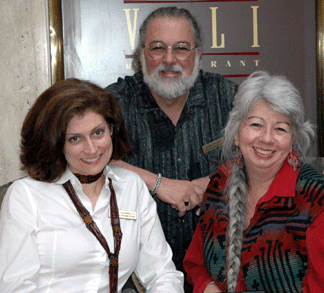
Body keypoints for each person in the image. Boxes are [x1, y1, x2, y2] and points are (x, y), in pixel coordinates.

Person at [0, 78, 184, 293]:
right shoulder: (26, 196)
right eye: (75, 139)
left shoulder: (131, 186)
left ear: (112, 130)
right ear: (54, 142)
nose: (91, 149)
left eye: (98, 133)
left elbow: (162, 273)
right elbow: (16, 287)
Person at [106, 6, 238, 282]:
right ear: (141, 56)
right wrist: (158, 183)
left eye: (180, 48)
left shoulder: (229, 98)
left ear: (197, 54)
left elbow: (272, 151)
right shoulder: (114, 104)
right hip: (136, 278)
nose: (169, 59)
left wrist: (217, 180)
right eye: (157, 48)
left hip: (222, 274)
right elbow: (83, 158)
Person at [183, 71, 324, 293]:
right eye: (256, 125)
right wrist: (207, 287)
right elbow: (195, 264)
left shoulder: (316, 198)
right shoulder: (218, 185)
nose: (267, 138)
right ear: (236, 134)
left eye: (280, 128)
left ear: (292, 140)